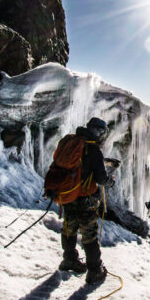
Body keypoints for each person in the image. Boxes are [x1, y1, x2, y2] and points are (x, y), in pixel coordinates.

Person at [58, 117, 115, 284]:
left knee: (69, 228)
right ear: (98, 131)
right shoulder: (93, 150)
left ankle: (69, 260)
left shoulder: (72, 143)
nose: (103, 135)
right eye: (102, 132)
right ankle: (95, 270)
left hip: (69, 195)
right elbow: (101, 178)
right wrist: (110, 181)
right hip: (86, 199)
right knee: (89, 234)